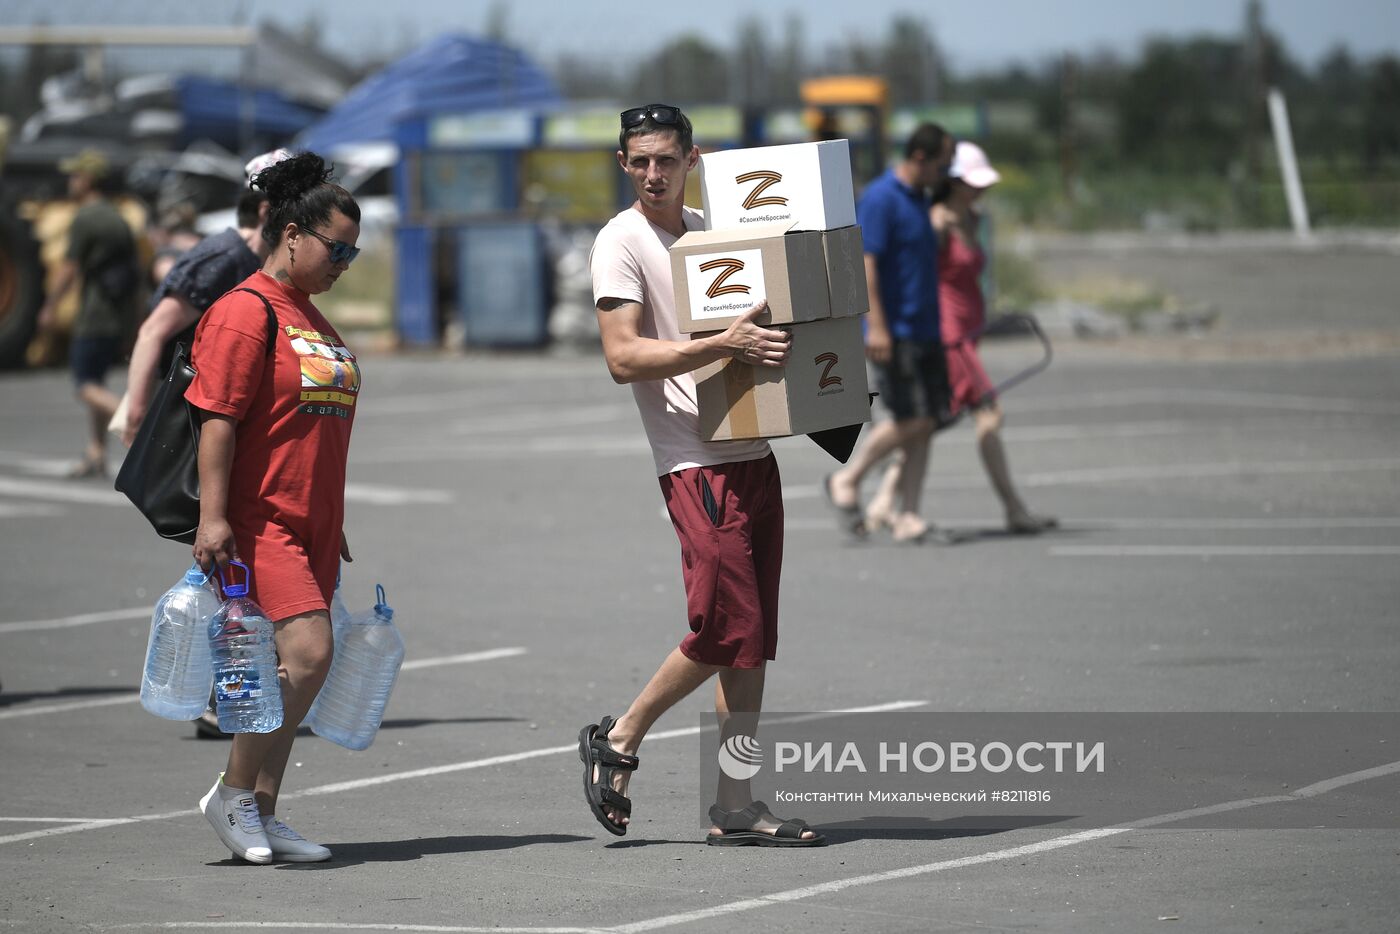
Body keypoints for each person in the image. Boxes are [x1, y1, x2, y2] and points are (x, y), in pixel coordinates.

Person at [580, 103, 822, 846]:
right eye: (639, 161)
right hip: (695, 462)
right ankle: (621, 736)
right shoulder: (620, 242)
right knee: (722, 629)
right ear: (623, 164)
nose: (653, 173)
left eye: (666, 159)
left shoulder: (713, 231)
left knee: (751, 644)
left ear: (693, 159)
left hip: (754, 454)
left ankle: (736, 805)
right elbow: (623, 357)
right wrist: (724, 344)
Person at [188, 151, 362, 864]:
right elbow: (218, 420)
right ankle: (232, 793)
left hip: (316, 522)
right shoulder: (245, 311)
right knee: (309, 654)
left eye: (353, 253)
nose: (343, 263)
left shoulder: (309, 317)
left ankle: (261, 810)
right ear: (292, 234)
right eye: (336, 248)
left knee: (301, 669)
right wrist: (214, 518)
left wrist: (332, 518)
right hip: (262, 520)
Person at [866, 142, 1057, 535]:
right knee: (986, 413)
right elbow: (913, 273)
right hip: (949, 336)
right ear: (952, 181)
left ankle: (883, 502)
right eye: (973, 183)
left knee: (929, 423)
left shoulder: (973, 217)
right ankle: (1014, 509)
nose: (981, 189)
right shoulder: (935, 221)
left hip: (970, 333)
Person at [823, 124, 955, 543]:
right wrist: (876, 325)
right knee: (911, 418)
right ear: (920, 157)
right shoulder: (882, 198)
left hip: (925, 327)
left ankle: (909, 515)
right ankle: (848, 478)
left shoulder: (920, 199)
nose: (945, 173)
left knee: (927, 422)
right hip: (895, 330)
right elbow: (867, 263)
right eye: (942, 164)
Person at [119, 151, 283, 448]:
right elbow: (152, 332)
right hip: (179, 411)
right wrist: (136, 417)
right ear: (265, 211)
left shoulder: (256, 260)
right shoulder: (225, 257)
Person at [36, 149, 139, 478]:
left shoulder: (86, 217)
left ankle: (134, 419)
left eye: (75, 175)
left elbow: (69, 268)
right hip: (118, 315)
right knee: (96, 380)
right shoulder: (118, 217)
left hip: (94, 314)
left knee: (84, 386)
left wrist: (50, 305)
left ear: (89, 179)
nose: (71, 181)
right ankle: (96, 453)